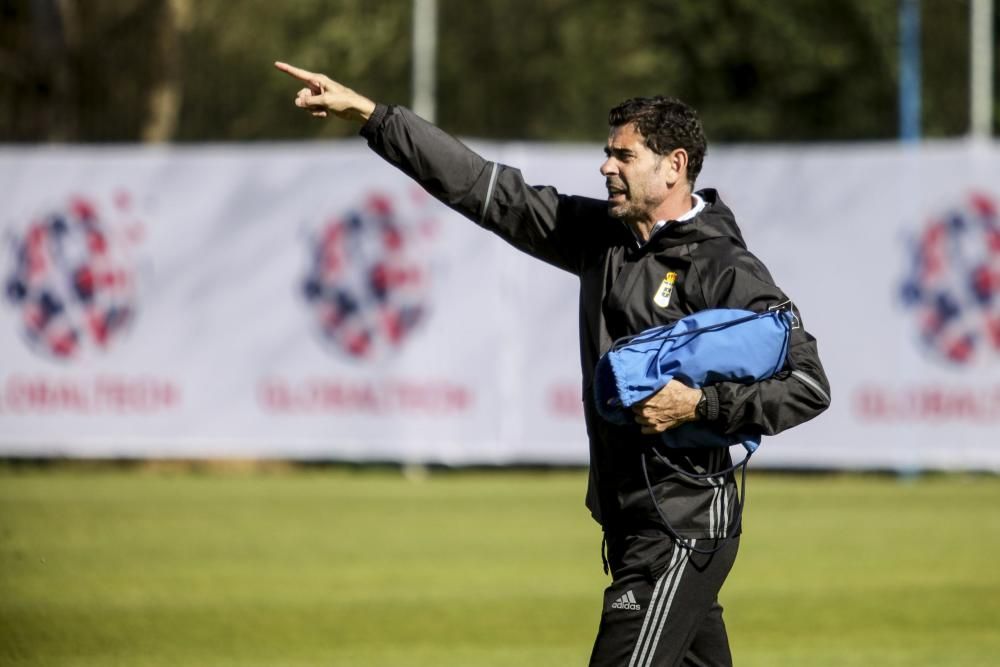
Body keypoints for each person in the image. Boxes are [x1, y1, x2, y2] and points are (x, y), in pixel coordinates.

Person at [274, 61, 831, 667]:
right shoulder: (603, 238)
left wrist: (701, 405)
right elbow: (485, 190)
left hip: (682, 524)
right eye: (606, 152)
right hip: (627, 521)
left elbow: (807, 383)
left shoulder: (725, 266)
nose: (605, 167)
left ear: (674, 166)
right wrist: (373, 116)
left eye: (624, 155)